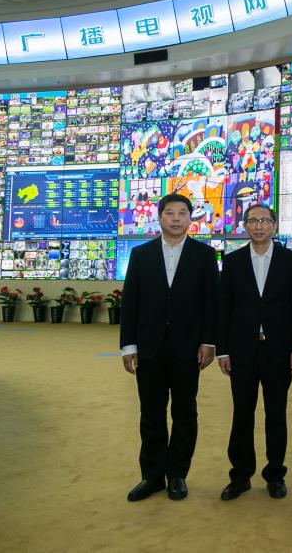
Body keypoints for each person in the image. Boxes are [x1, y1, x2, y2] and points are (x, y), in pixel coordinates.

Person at [120, 193, 220, 502]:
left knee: (184, 412)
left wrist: (208, 341)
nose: (176, 218)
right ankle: (152, 476)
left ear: (191, 218)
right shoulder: (141, 254)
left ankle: (177, 474)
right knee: (150, 413)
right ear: (159, 217)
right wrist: (128, 346)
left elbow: (211, 303)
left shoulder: (204, 254)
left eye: (182, 213)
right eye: (169, 213)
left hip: (187, 347)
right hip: (149, 347)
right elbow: (131, 301)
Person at [216, 204, 292, 501]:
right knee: (242, 414)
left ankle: (275, 475)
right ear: (244, 226)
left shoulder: (291, 260)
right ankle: (240, 476)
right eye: (252, 221)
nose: (259, 226)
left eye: (265, 220)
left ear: (274, 225)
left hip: (279, 350)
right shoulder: (232, 261)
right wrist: (223, 351)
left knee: (276, 414)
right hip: (242, 351)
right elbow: (224, 308)